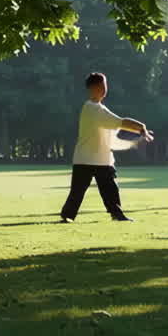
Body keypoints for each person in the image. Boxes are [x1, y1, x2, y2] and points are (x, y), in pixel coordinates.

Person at [60, 72, 152, 223]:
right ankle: (67, 215)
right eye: (102, 85)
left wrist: (135, 139)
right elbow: (121, 122)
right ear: (93, 88)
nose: (105, 89)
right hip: (86, 158)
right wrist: (141, 127)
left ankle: (117, 214)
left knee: (111, 189)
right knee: (78, 191)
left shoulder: (99, 108)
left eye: (105, 85)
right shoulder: (93, 109)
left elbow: (112, 136)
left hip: (101, 159)